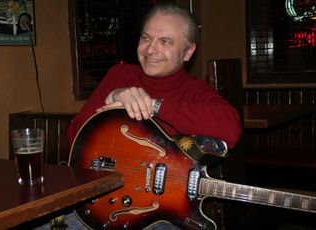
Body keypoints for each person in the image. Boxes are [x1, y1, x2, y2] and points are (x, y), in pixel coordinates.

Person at [36, 2, 242, 230]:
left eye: (165, 41)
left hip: (156, 214)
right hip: (97, 205)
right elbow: (74, 137)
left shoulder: (195, 91)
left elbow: (231, 129)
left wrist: (155, 106)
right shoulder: (119, 75)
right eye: (146, 38)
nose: (150, 49)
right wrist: (114, 96)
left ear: (188, 52)